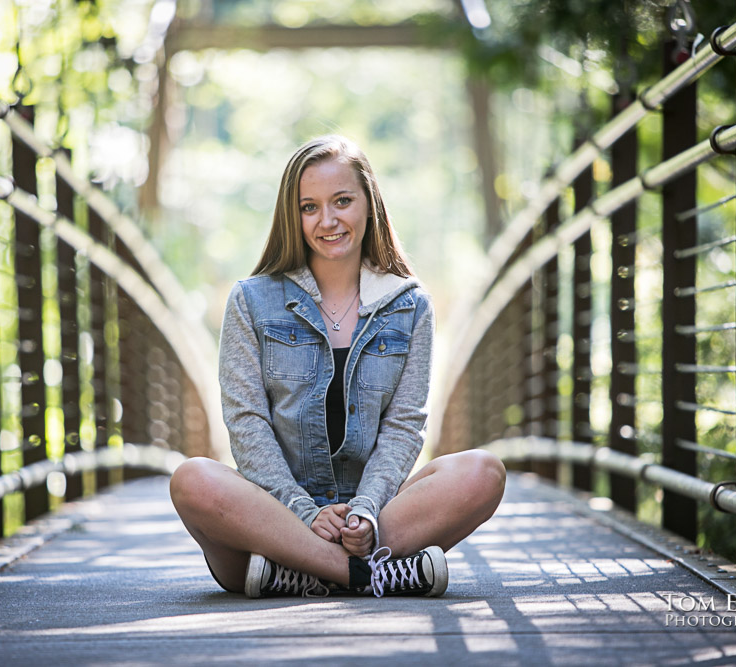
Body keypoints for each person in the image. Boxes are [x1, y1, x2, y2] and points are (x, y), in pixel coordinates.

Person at [170, 135, 505, 598]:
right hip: (276, 521)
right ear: (293, 215)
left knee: (483, 472)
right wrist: (304, 512)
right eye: (309, 207)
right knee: (193, 480)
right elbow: (247, 424)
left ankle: (302, 576)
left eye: (342, 201)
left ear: (369, 204)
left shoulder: (410, 306)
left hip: (373, 522)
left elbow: (404, 426)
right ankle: (364, 575)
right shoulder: (251, 301)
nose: (327, 221)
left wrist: (365, 511)